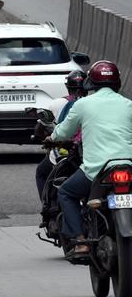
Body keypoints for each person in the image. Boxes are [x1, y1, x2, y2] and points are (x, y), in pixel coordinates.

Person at [51, 61, 132, 259]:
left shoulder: (82, 104)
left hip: (96, 170)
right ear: (118, 82)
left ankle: (80, 242)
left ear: (90, 83)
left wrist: (52, 137)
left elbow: (63, 131)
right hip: (128, 166)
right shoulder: (128, 104)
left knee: (66, 193)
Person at [35, 70, 86, 200]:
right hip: (89, 153)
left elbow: (41, 130)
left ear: (67, 87)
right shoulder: (95, 103)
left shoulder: (57, 104)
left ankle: (46, 209)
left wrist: (50, 139)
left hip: (64, 153)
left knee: (41, 173)